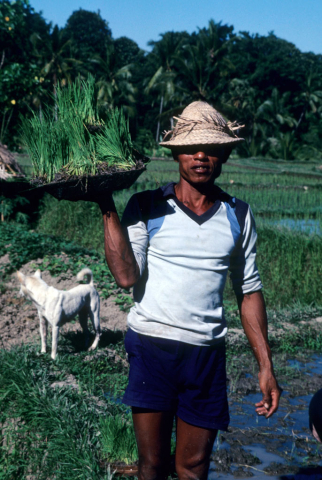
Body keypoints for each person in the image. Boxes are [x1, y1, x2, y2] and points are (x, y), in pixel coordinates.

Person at [97, 101, 281, 480]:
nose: (201, 156)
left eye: (212, 149)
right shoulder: (146, 206)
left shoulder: (238, 214)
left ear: (225, 155)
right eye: (193, 148)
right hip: (152, 346)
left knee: (194, 467)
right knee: (153, 464)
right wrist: (105, 203)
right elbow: (127, 276)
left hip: (206, 356)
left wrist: (265, 364)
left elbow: (248, 291)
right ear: (177, 153)